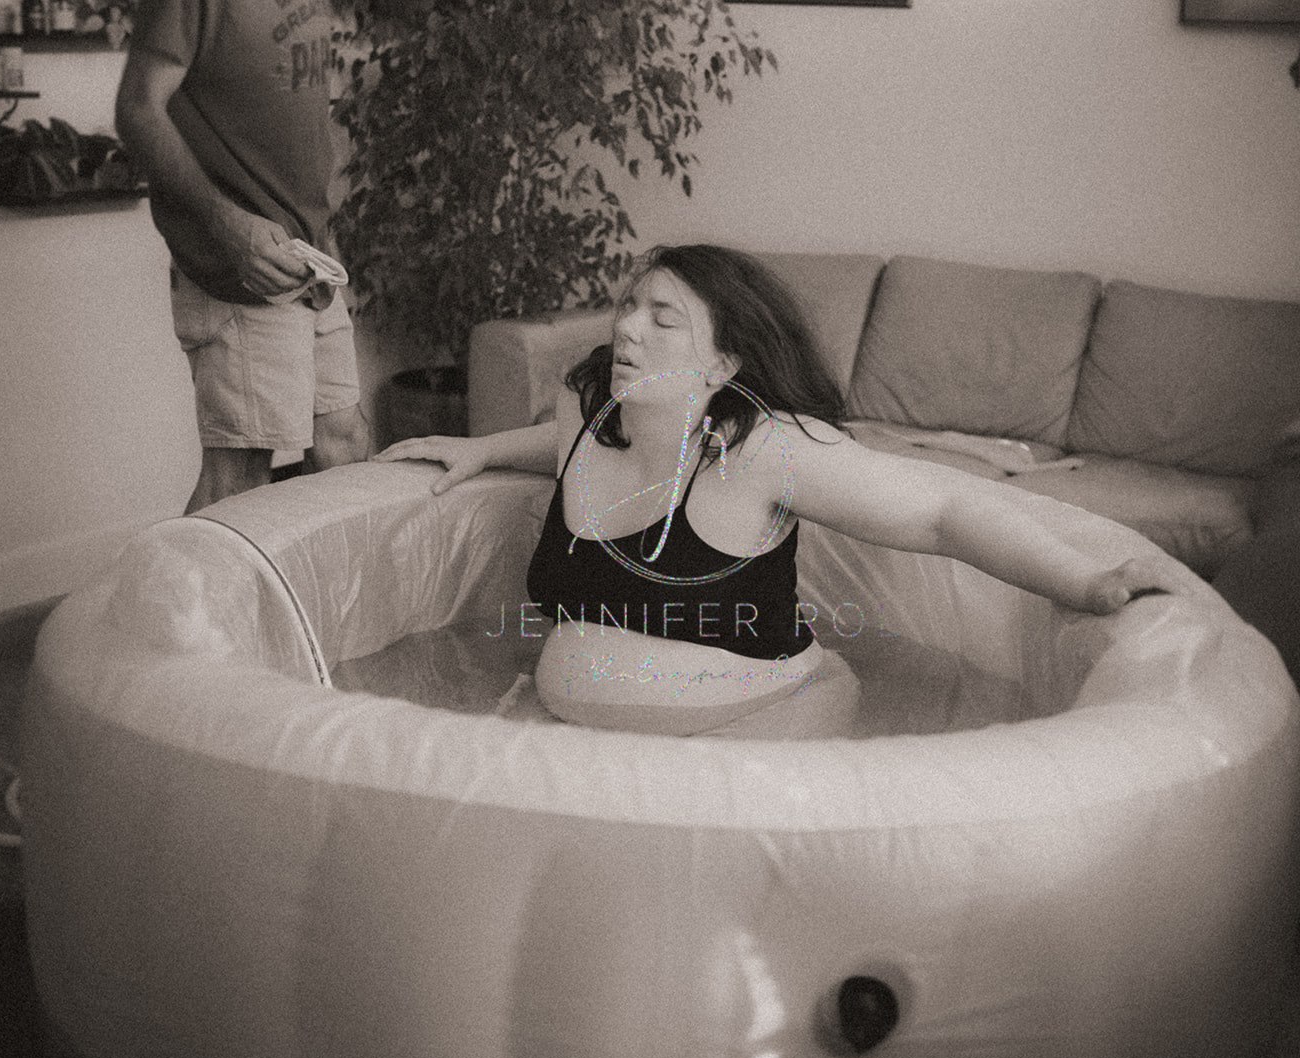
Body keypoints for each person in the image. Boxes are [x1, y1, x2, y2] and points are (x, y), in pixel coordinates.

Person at [374, 245, 1191, 739]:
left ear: (724, 363)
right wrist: (482, 448)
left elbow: (945, 513)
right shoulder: (588, 403)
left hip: (758, 728)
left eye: (662, 317)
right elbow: (566, 449)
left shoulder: (768, 451)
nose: (624, 326)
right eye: (628, 306)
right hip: (582, 737)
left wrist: (1086, 582)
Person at [115, 0, 368, 514]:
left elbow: (287, 112)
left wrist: (323, 224)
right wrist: (228, 226)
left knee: (344, 445)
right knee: (238, 483)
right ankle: (171, 597)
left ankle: (326, 596)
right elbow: (138, 110)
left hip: (310, 256)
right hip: (240, 267)